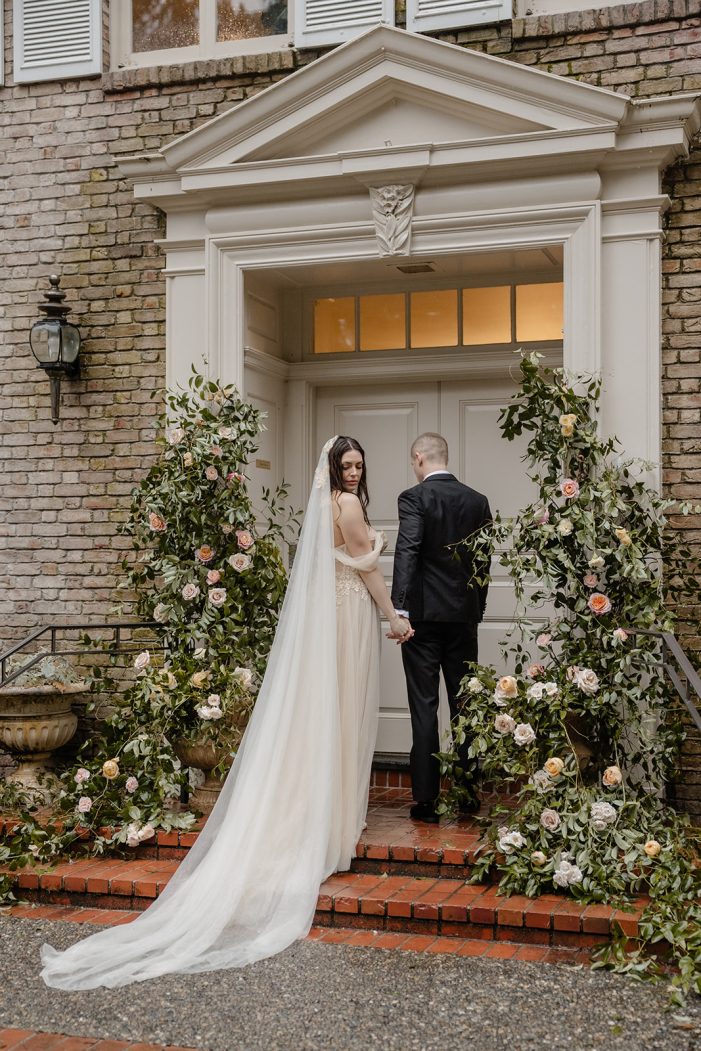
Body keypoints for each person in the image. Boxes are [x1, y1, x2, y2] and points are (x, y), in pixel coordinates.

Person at [40, 435, 412, 989]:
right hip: (350, 616)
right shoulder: (348, 505)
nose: (355, 472)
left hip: (330, 618)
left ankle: (324, 817)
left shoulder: (323, 505)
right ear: (334, 469)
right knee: (342, 714)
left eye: (360, 464)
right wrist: (394, 617)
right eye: (348, 464)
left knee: (326, 719)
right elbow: (367, 569)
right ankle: (330, 828)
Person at [391, 433, 491, 824]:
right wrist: (477, 607)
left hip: (422, 620)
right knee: (465, 704)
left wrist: (400, 609)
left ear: (419, 457)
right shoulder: (477, 500)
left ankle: (426, 799)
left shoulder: (414, 498)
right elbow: (484, 560)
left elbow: (408, 550)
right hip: (463, 618)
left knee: (424, 705)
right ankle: (466, 793)